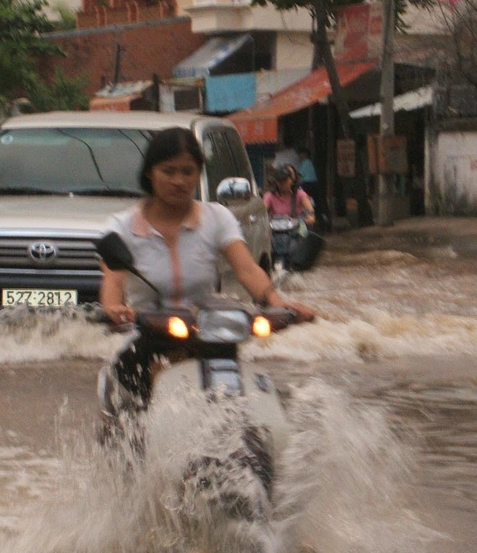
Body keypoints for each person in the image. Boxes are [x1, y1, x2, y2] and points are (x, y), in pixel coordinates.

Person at [99, 127, 316, 407]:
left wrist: (278, 304)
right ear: (151, 173)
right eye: (169, 171)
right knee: (149, 378)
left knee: (244, 398)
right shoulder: (122, 226)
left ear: (198, 173)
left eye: (188, 171)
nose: (179, 180)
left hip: (208, 333)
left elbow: (247, 269)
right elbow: (112, 282)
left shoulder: (217, 217)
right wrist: (115, 309)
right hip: (147, 333)